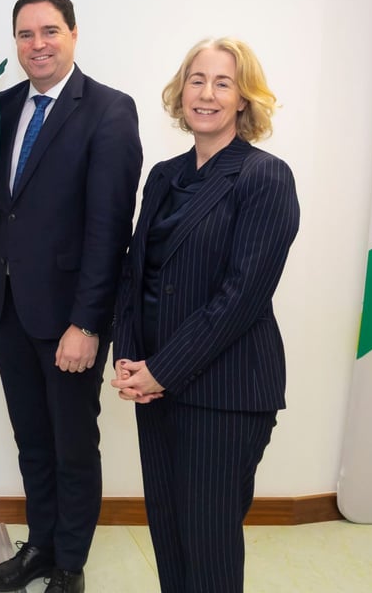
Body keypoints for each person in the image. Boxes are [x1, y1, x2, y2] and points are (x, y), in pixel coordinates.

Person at [0, 0, 142, 593]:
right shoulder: (2, 104)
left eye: (48, 31)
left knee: (72, 444)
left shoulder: (109, 111)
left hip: (70, 317)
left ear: (73, 34)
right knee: (32, 440)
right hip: (8, 308)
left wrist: (88, 323)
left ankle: (69, 563)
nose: (36, 44)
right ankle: (39, 546)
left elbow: (110, 228)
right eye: (24, 34)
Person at [111, 38, 298, 593]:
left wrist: (162, 370)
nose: (207, 93)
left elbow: (240, 297)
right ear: (181, 90)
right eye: (197, 80)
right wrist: (128, 357)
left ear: (243, 99)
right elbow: (135, 270)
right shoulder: (164, 175)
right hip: (156, 385)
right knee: (169, 535)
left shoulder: (265, 176)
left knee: (209, 545)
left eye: (223, 82)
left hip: (226, 392)